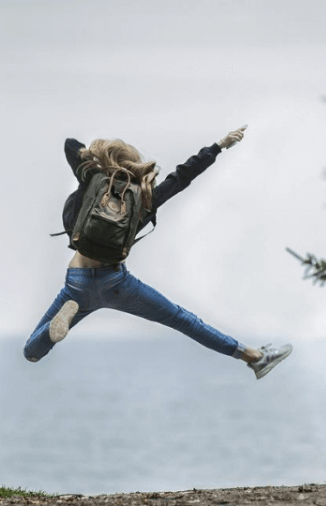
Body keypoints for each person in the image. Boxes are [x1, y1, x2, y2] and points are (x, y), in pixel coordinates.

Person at [23, 126, 292, 380]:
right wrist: (219, 146)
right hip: (116, 283)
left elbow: (71, 145)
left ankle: (54, 328)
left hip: (77, 282)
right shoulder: (144, 198)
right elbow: (182, 176)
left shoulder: (92, 179)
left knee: (31, 352)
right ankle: (253, 357)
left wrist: (96, 159)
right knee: (182, 319)